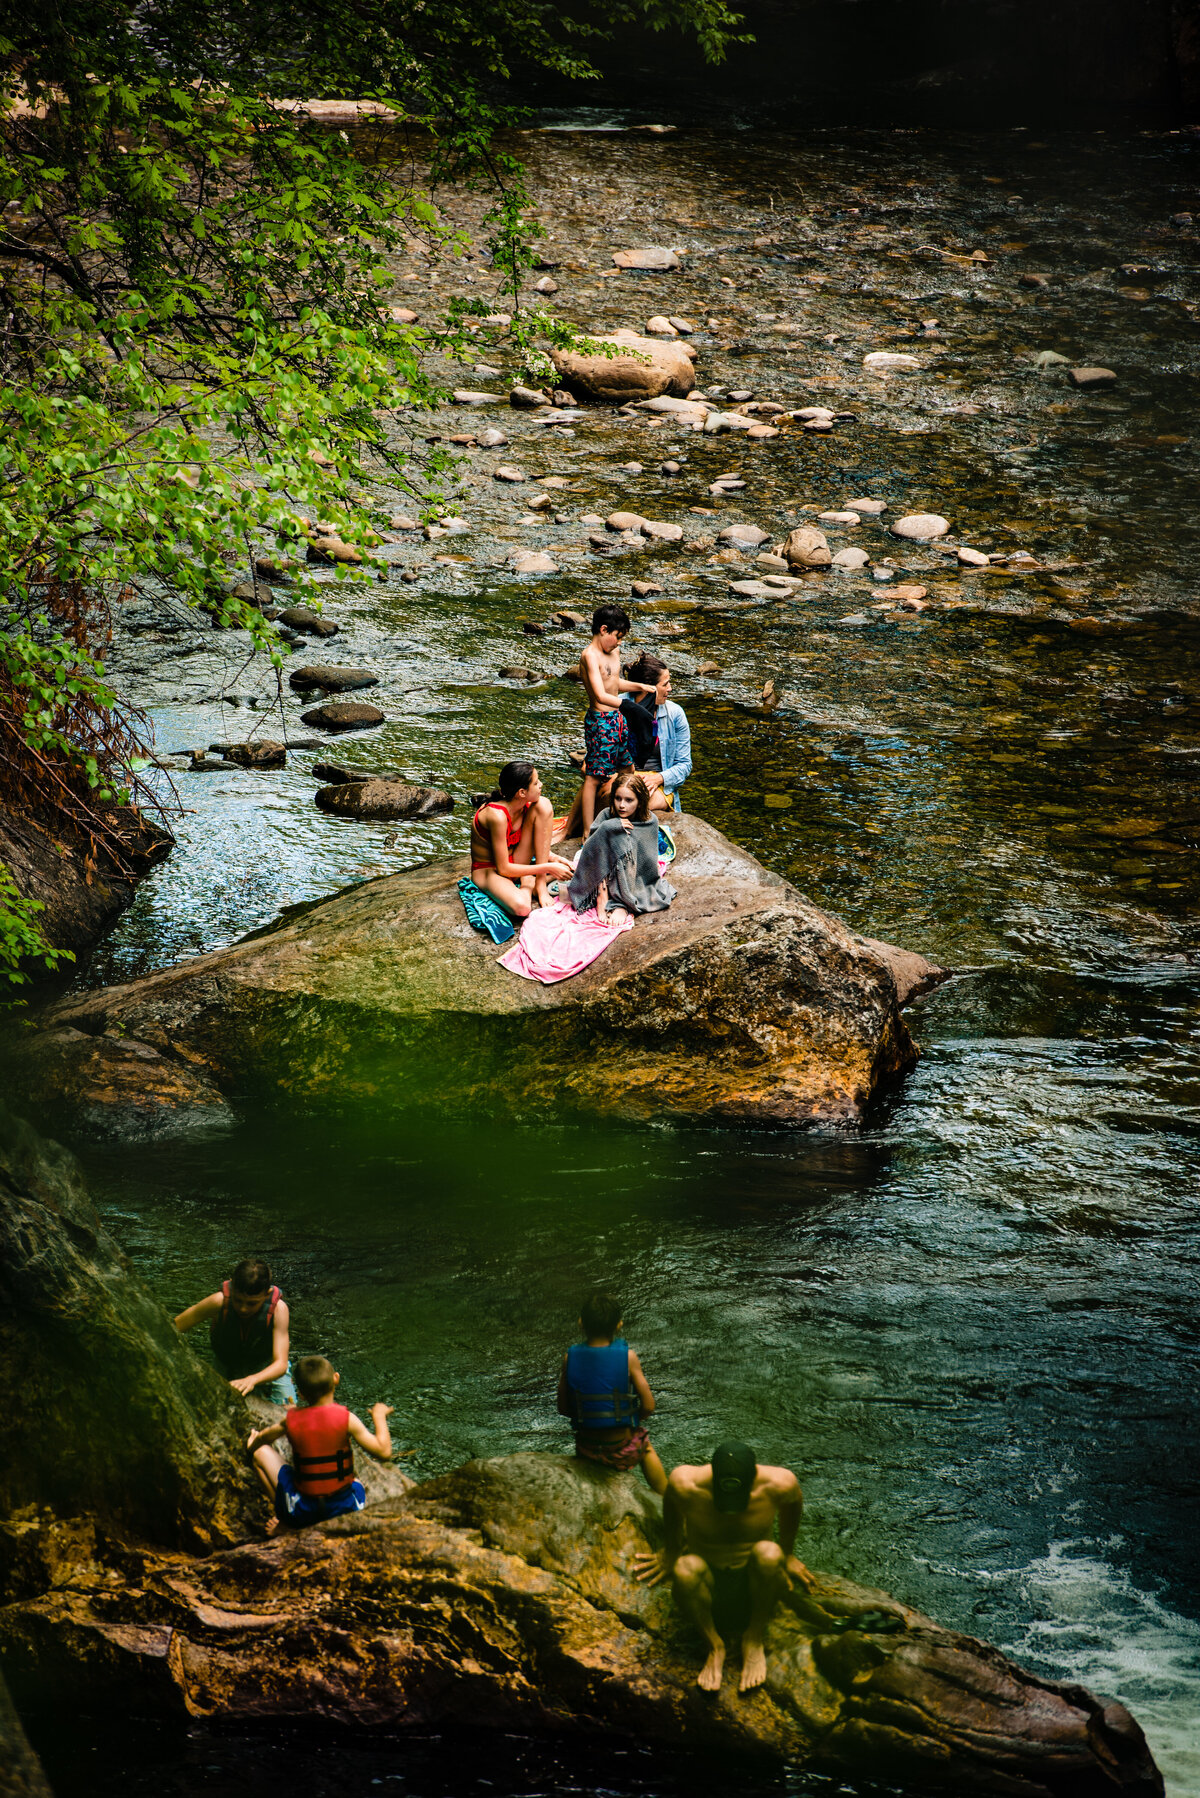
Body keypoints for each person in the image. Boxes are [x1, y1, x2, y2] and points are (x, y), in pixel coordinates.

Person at [635, 1442, 815, 1694]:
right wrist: (671, 1551)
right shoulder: (685, 1483)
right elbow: (672, 1509)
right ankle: (714, 1646)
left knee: (770, 1553)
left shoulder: (780, 1484)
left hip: (752, 1579)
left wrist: (788, 1553)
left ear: (753, 1478)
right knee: (684, 1568)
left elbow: (794, 1504)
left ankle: (753, 1638)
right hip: (708, 1578)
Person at [247, 1353, 394, 1533]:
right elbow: (384, 1452)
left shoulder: (292, 1420)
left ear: (299, 1393)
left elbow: (265, 1438)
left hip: (303, 1511)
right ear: (336, 1379)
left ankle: (287, 1523)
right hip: (344, 1511)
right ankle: (297, 1524)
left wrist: (253, 1444)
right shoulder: (347, 1419)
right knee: (357, 1483)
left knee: (259, 1454)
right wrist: (379, 1416)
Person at [556, 653, 691, 841]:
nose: (670, 689)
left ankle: (590, 831)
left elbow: (684, 765)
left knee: (634, 801)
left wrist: (660, 778)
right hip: (621, 772)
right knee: (605, 790)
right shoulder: (616, 706)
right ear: (649, 688)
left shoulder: (675, 714)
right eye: (665, 684)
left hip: (658, 783)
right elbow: (598, 751)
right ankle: (575, 832)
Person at [557, 1290, 667, 1495]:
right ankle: (666, 1495)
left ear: (581, 1323)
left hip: (586, 1449)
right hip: (622, 1448)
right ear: (619, 1325)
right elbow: (649, 1406)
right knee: (646, 1446)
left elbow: (562, 1408)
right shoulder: (628, 1357)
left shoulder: (568, 1358)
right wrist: (632, 1421)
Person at [579, 606, 656, 836]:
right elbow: (602, 694)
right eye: (617, 637)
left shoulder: (613, 652)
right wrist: (629, 706)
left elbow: (614, 685)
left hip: (617, 718)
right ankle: (587, 830)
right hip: (600, 721)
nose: (619, 643)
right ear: (604, 630)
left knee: (627, 766)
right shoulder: (589, 656)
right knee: (594, 776)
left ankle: (633, 814)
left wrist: (640, 686)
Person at [175, 1257, 295, 1403]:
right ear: (232, 1288)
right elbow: (175, 1326)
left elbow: (281, 1364)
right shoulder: (218, 1302)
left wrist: (252, 1379)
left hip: (267, 1367)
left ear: (267, 1294)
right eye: (238, 1300)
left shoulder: (279, 1310)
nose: (243, 1308)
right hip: (226, 1364)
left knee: (291, 1414)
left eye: (252, 1303)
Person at [469, 760, 574, 919]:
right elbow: (503, 868)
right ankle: (528, 884)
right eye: (536, 782)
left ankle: (540, 884)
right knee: (522, 907)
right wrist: (548, 867)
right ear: (522, 792)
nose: (541, 785)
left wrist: (553, 858)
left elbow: (535, 838)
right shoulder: (497, 816)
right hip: (490, 870)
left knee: (544, 804)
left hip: (517, 860)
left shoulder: (525, 804)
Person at [568, 772, 676, 923]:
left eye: (629, 800)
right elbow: (590, 848)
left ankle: (622, 903)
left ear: (639, 801)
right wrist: (608, 827)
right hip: (601, 874)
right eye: (618, 798)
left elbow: (646, 862)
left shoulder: (650, 821)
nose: (622, 805)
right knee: (610, 835)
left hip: (631, 876)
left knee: (621, 839)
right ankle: (602, 895)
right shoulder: (606, 815)